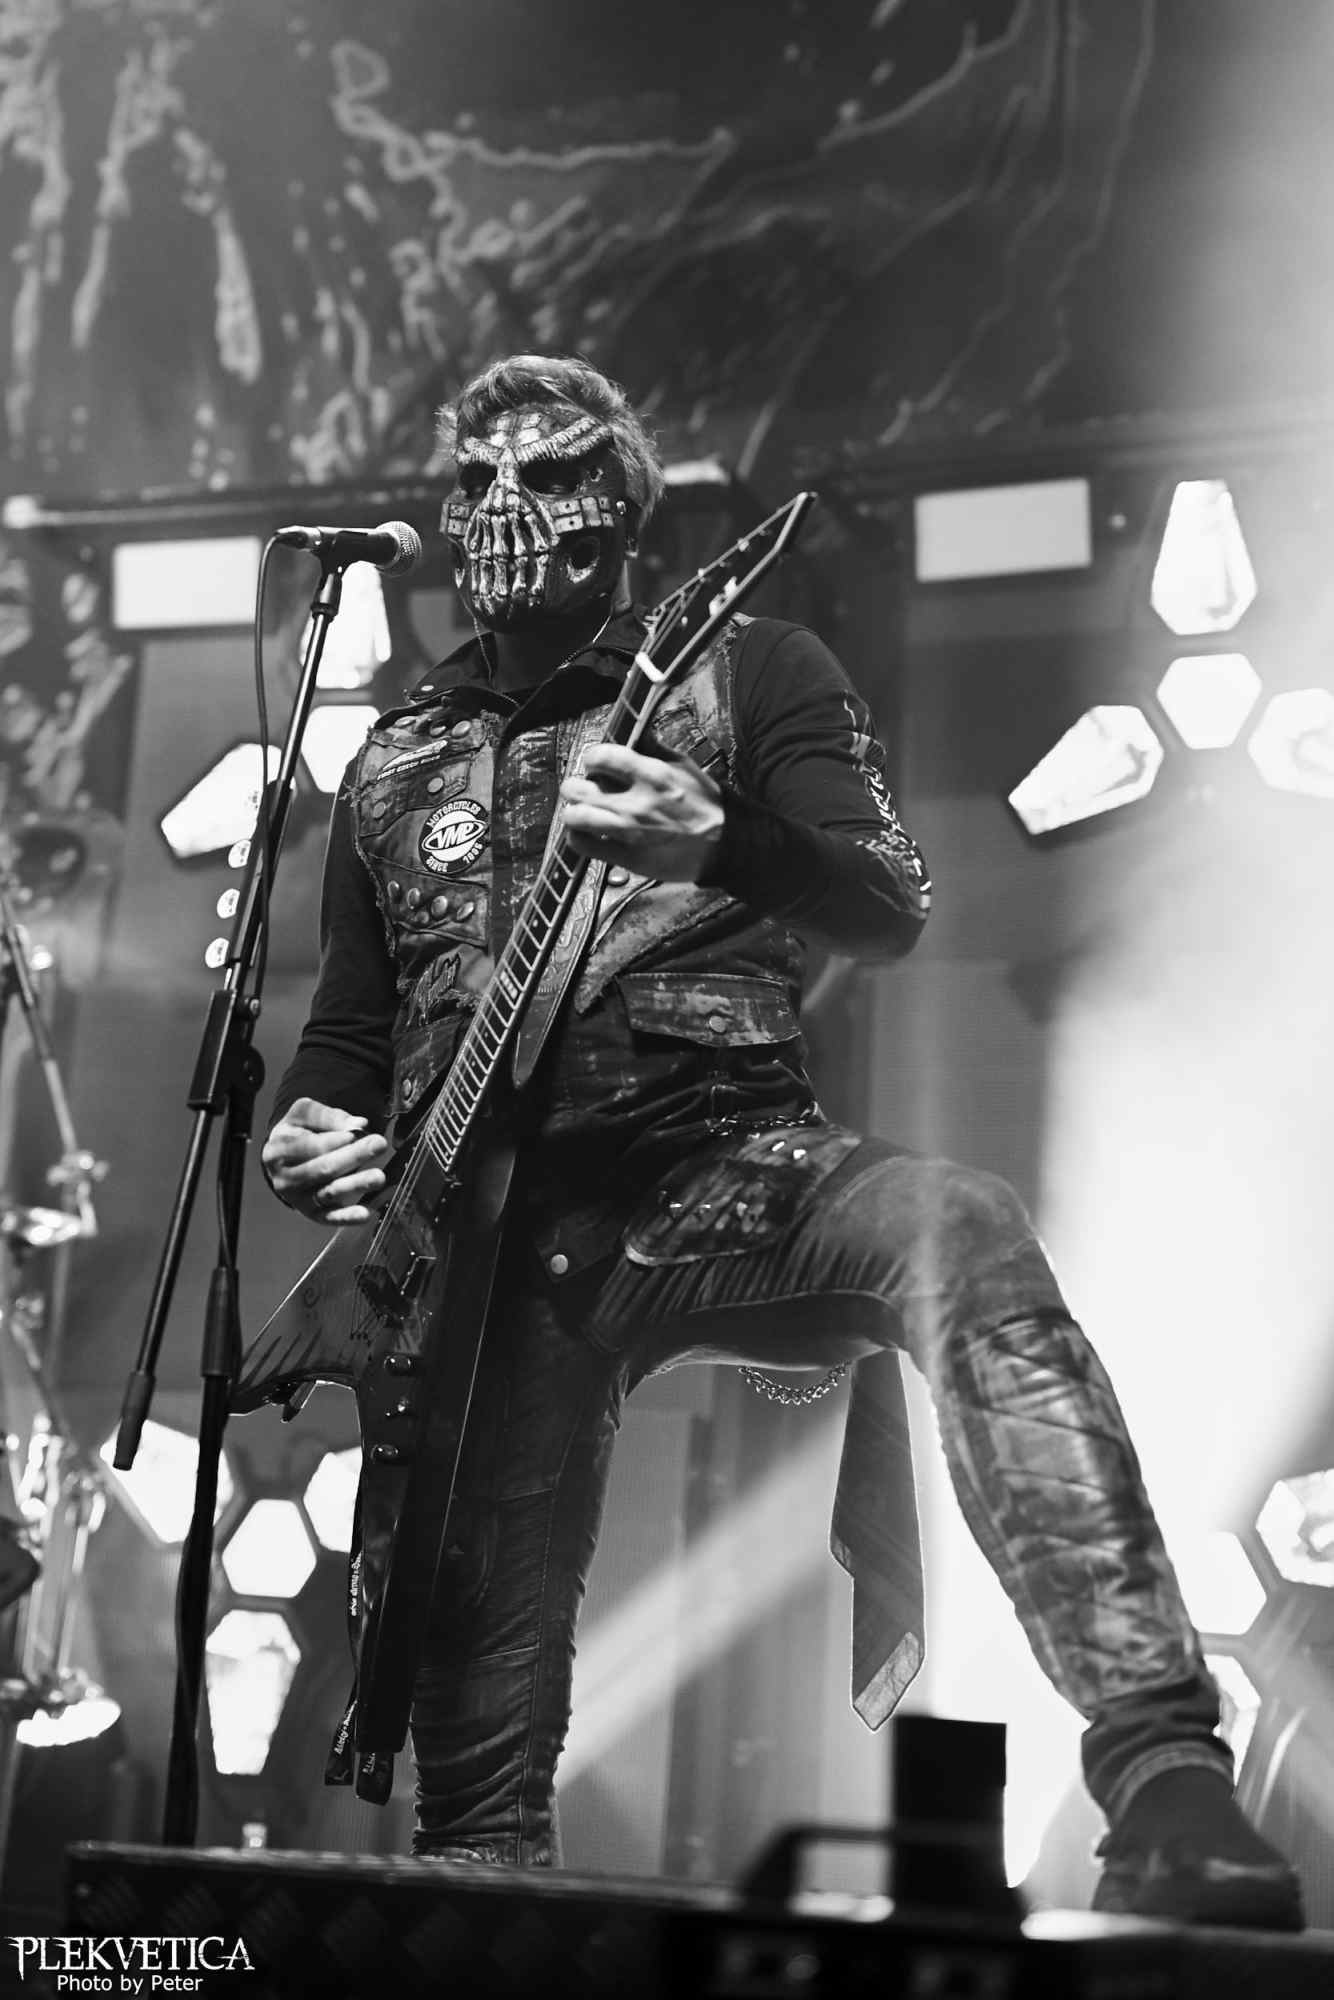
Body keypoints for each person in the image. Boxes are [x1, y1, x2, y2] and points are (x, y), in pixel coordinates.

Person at [261, 352, 1303, 1928]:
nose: (505, 505)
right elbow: (351, 1025)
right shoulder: (388, 759)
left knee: (953, 1225)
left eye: (551, 473)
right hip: (477, 1259)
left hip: (709, 1166)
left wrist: (716, 838)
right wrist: (313, 1123)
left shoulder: (747, 667)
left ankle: (1162, 1768)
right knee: (473, 1782)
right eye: (476, 480)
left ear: (624, 509)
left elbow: (885, 902)